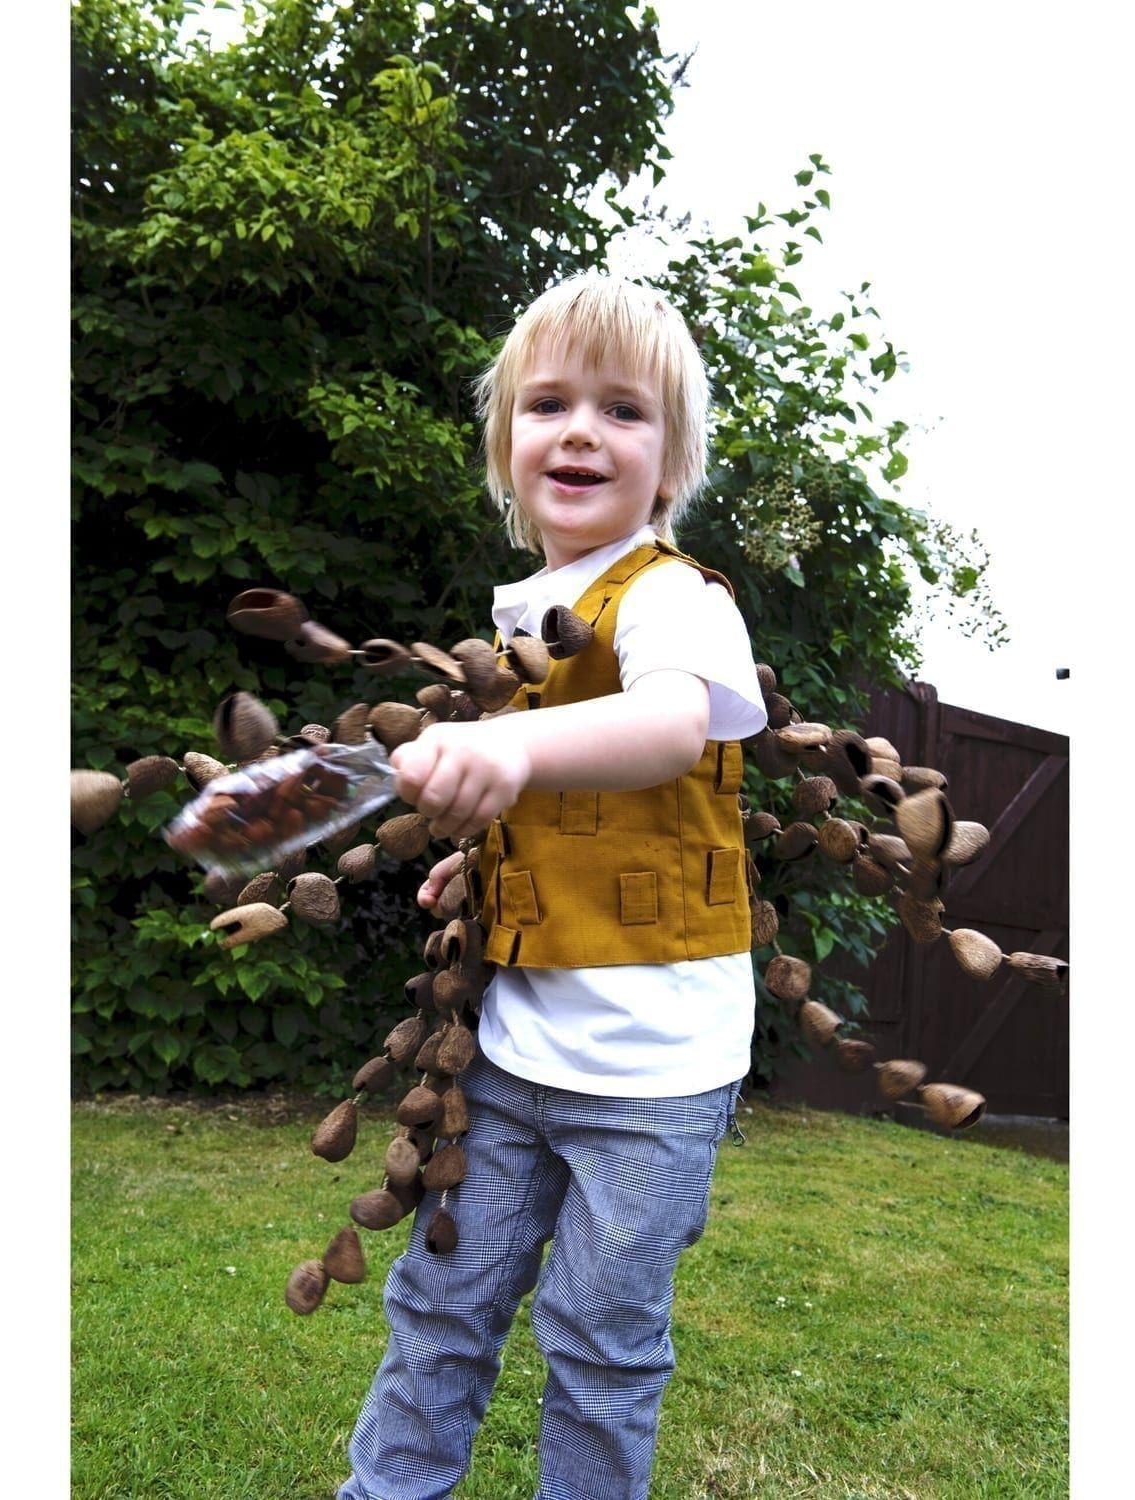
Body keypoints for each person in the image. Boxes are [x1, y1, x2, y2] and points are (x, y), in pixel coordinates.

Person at [337, 273, 767, 1500]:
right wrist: (482, 870)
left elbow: (669, 731)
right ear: (506, 447)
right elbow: (573, 813)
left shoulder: (675, 598)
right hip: (515, 1056)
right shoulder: (526, 619)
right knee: (438, 1311)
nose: (580, 430)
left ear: (671, 466)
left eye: (624, 411)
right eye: (549, 404)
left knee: (598, 1346)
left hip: (654, 1075)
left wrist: (510, 748)